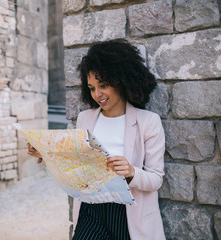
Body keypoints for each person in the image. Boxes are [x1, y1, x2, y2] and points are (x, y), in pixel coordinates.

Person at [27, 39, 166, 240]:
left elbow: (155, 179)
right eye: (92, 88)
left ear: (122, 80)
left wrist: (131, 172)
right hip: (90, 210)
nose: (97, 94)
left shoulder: (148, 122)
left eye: (103, 85)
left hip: (128, 215)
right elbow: (73, 162)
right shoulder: (86, 118)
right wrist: (44, 153)